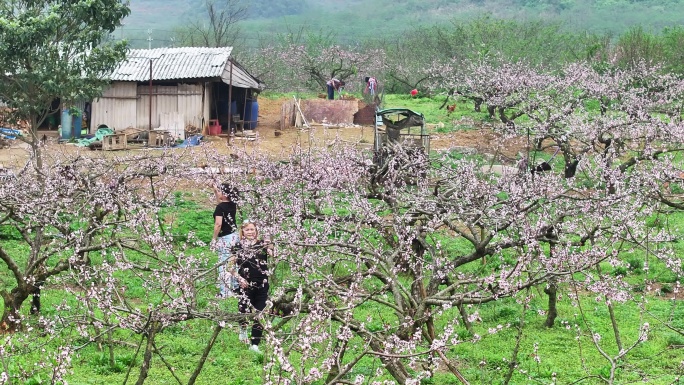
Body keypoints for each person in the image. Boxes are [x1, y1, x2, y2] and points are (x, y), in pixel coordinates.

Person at [233, 220, 273, 353]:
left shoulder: (262, 245)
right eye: (247, 230)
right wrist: (239, 278)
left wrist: (270, 244)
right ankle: (243, 329)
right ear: (243, 232)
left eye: (252, 229)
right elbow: (229, 266)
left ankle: (255, 343)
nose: (250, 232)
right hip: (245, 284)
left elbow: (274, 254)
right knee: (243, 309)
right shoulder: (238, 246)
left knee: (260, 312)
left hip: (262, 283)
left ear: (256, 231)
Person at [209, 181, 239, 298]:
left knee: (223, 264)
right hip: (234, 236)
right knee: (233, 262)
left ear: (225, 194)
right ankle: (236, 287)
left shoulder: (220, 208)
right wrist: (215, 190)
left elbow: (218, 224)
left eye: (221, 191)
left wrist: (214, 239)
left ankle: (225, 292)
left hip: (225, 238)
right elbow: (220, 202)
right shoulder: (232, 204)